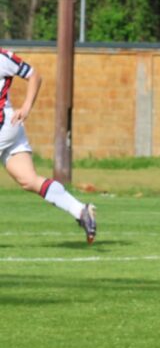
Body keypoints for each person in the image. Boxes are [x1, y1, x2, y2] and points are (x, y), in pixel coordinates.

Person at [0, 48, 96, 243]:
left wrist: (27, 106)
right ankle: (81, 211)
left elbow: (34, 75)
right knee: (29, 180)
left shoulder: (2, 57)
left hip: (3, 123)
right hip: (11, 126)